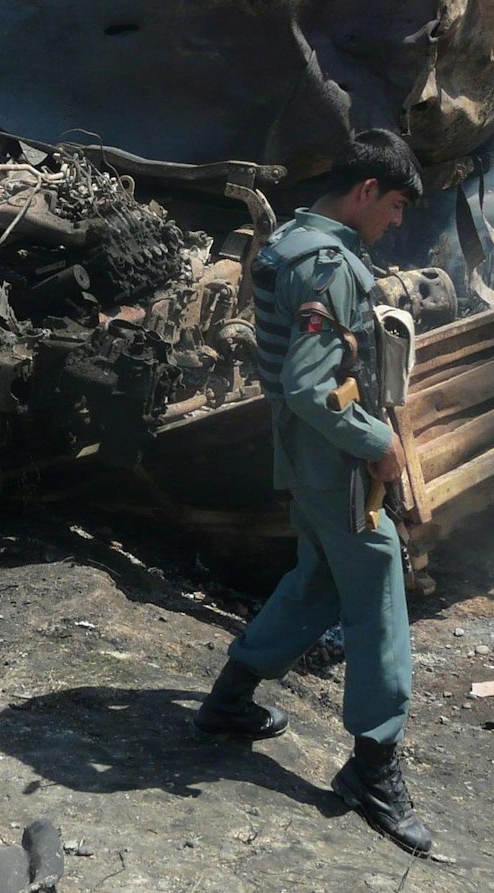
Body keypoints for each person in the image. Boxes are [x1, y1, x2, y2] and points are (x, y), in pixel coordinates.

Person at [193, 128, 434, 856]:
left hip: (303, 456)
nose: (396, 221)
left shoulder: (294, 237)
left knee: (319, 580)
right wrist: (377, 442)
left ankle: (229, 701)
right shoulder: (331, 267)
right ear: (366, 191)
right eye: (394, 206)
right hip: (336, 461)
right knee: (380, 588)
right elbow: (307, 384)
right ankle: (373, 766)